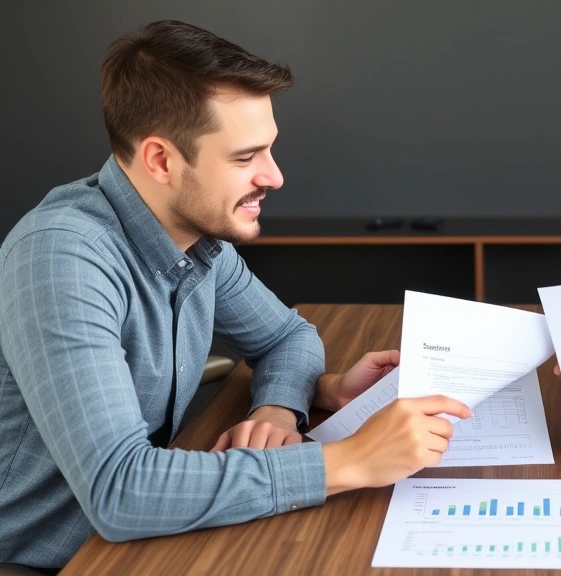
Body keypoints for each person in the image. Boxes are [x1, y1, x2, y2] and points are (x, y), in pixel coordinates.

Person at [0, 20, 470, 572]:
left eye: (269, 150)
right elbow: (118, 491)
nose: (274, 176)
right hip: (51, 556)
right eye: (246, 158)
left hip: (146, 541)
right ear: (161, 160)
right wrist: (348, 462)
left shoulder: (194, 237)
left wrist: (280, 409)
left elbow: (288, 336)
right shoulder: (63, 257)